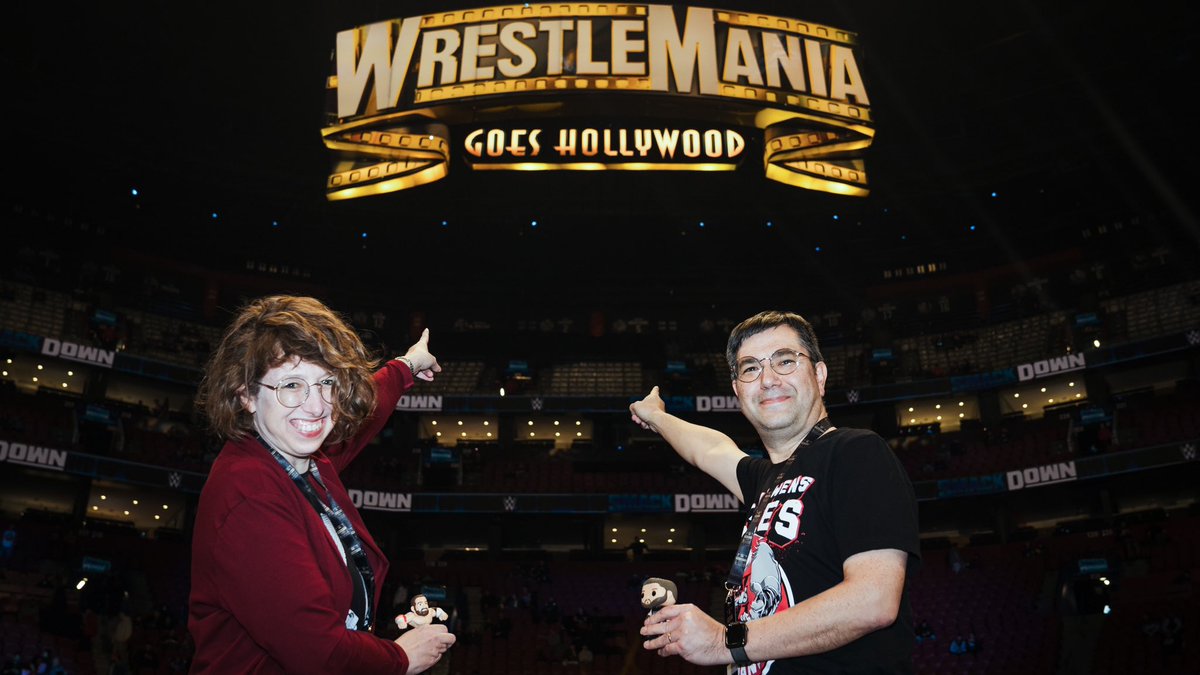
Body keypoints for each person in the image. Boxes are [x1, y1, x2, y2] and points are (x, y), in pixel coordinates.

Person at [630, 310, 920, 673]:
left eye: (785, 361)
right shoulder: (765, 480)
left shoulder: (855, 451)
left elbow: (873, 600)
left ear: (819, 374)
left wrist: (726, 642)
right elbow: (710, 449)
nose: (767, 379)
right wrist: (656, 416)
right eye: (750, 368)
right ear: (738, 391)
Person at [187, 295, 454, 674]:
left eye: (326, 382)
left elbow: (363, 418)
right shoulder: (251, 497)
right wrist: (403, 657)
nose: (316, 406)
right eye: (291, 385)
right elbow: (319, 653)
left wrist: (406, 366)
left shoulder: (297, 459)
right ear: (245, 394)